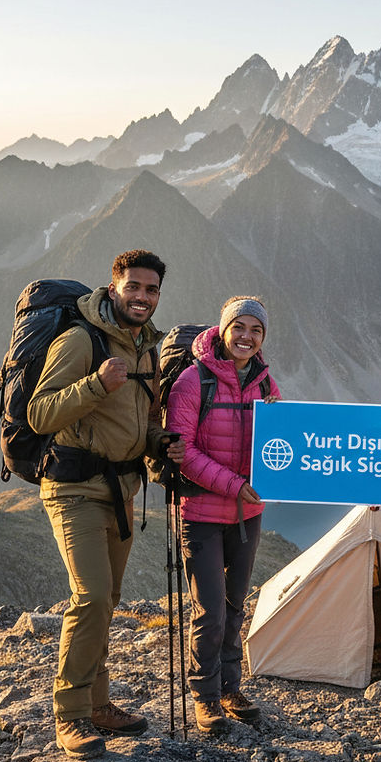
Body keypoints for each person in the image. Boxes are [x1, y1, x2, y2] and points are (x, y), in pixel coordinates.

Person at [28, 249, 184, 759]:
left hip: (122, 491)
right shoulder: (81, 340)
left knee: (109, 601)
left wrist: (160, 443)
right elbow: (39, 413)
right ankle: (70, 715)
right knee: (91, 597)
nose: (143, 297)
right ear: (113, 287)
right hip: (74, 489)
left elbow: (142, 421)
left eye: (152, 290)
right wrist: (95, 383)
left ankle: (98, 703)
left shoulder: (146, 349)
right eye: (134, 287)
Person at [166, 295, 280, 733]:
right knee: (209, 610)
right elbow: (185, 454)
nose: (246, 337)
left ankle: (230, 686)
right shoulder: (193, 382)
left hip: (247, 514)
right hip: (202, 512)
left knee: (235, 607)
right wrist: (236, 485)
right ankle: (206, 696)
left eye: (256, 330)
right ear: (223, 330)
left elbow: (282, 448)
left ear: (262, 337)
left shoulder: (267, 387)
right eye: (240, 328)